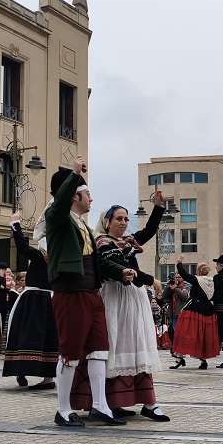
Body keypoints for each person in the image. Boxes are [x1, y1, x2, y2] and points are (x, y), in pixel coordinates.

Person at [43, 158, 134, 427]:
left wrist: (120, 272)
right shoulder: (57, 217)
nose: (92, 199)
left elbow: (96, 261)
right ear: (74, 196)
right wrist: (73, 174)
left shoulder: (82, 224)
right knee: (70, 352)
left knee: (99, 351)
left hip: (91, 294)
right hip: (71, 293)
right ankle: (63, 410)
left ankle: (100, 406)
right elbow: (58, 204)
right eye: (87, 194)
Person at [69, 198, 168, 420]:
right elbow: (120, 269)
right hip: (115, 298)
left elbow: (149, 230)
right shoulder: (103, 243)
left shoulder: (128, 242)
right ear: (107, 222)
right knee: (115, 347)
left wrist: (159, 208)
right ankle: (109, 401)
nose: (123, 223)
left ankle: (144, 402)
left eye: (126, 219)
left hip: (134, 298)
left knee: (135, 345)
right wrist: (151, 279)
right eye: (118, 219)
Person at [2, 213, 59, 390]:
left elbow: (21, 245)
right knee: (48, 337)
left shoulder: (40, 256)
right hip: (50, 300)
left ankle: (22, 370)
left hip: (34, 299)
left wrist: (16, 225)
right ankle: (47, 377)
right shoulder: (59, 259)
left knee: (24, 334)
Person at [170, 256, 220, 369]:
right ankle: (203, 360)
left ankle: (179, 358)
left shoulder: (197, 280)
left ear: (198, 271)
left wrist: (179, 262)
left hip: (194, 310)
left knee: (184, 332)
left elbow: (183, 274)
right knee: (204, 335)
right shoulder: (212, 281)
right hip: (208, 310)